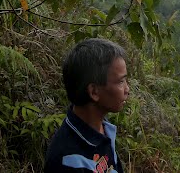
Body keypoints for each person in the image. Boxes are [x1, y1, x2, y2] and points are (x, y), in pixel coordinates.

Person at [43, 38, 129, 173]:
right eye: (120, 82)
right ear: (94, 91)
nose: (127, 89)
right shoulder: (68, 160)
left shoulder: (103, 129)